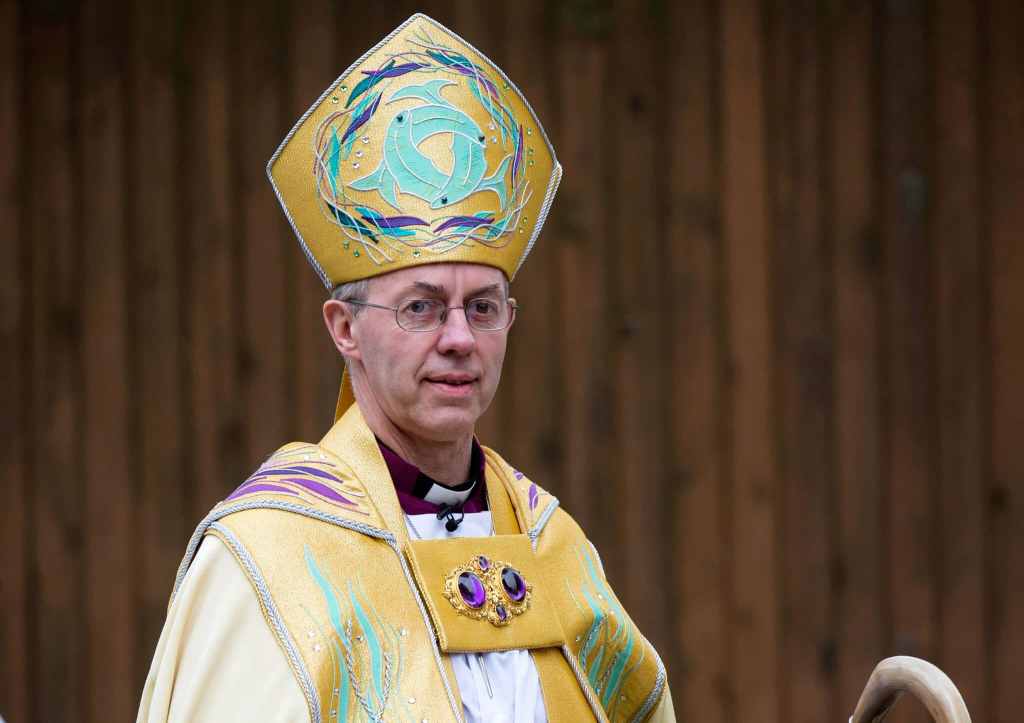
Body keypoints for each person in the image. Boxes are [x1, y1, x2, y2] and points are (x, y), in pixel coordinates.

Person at [137, 13, 674, 722]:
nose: (458, 338)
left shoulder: (551, 546)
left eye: (483, 307)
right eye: (421, 308)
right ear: (345, 329)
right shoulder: (268, 554)